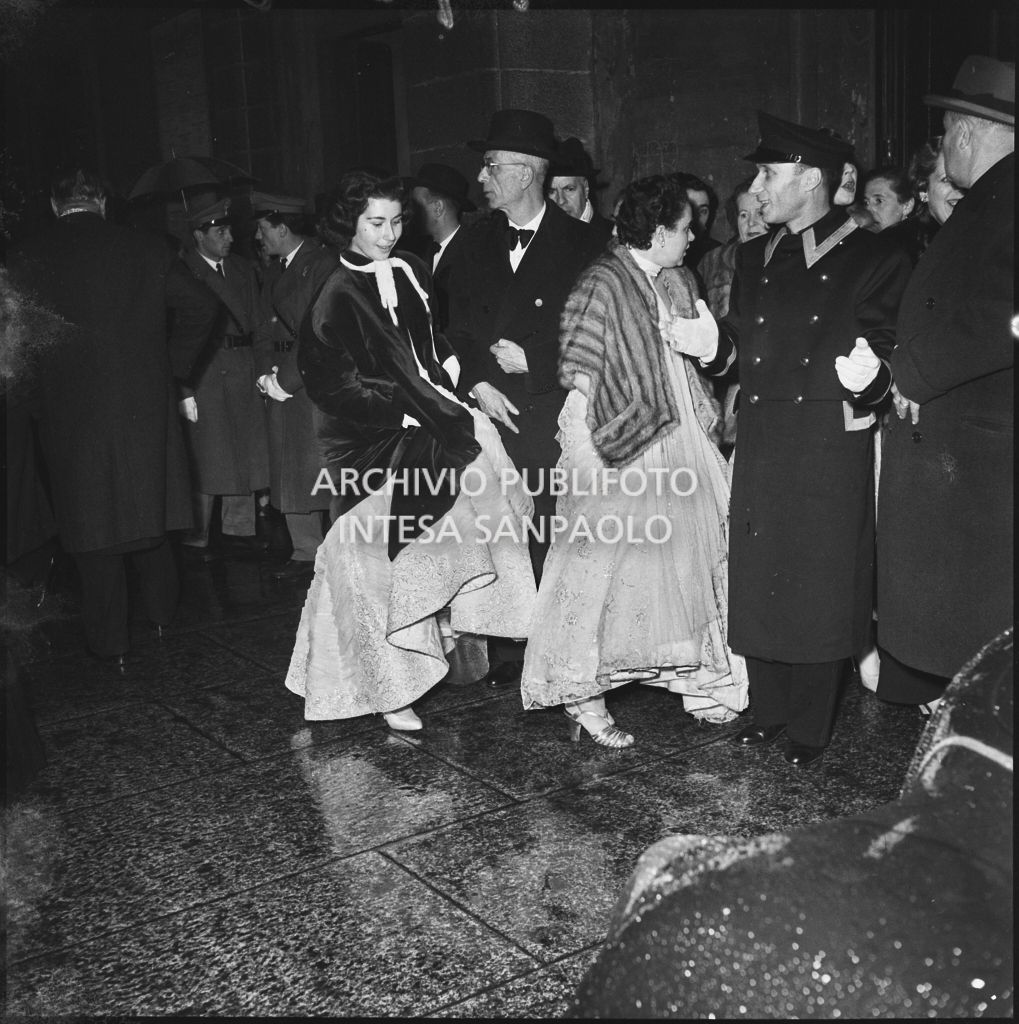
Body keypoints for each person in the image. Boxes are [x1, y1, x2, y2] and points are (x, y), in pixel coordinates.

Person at [668, 111, 913, 767]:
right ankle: (766, 706)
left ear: (809, 179)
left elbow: (886, 353)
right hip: (764, 433)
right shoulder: (754, 255)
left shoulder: (874, 255)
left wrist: (870, 379)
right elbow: (744, 352)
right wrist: (713, 348)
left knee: (816, 580)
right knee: (759, 573)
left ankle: (809, 722)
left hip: (825, 443)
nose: (755, 188)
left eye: (767, 174)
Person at [284, 170, 537, 729]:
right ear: (348, 223)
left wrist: (461, 381)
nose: (389, 233)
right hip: (372, 441)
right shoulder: (334, 290)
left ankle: (443, 645)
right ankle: (387, 685)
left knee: (442, 544)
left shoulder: (411, 270)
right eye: (376, 223)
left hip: (439, 422)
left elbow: (432, 344)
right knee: (365, 558)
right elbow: (331, 382)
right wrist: (402, 410)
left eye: (397, 221)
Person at [519, 175, 748, 746]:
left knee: (693, 556)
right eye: (683, 227)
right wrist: (611, 432)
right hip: (612, 433)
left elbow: (701, 356)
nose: (693, 236)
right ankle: (582, 695)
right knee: (599, 566)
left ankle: (701, 679)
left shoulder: (678, 277)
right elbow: (577, 360)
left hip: (679, 428)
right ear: (657, 229)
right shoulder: (603, 279)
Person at [5, 168, 214, 666]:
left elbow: (14, 346)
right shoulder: (145, 248)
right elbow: (203, 309)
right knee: (152, 510)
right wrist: (171, 370)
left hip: (69, 413)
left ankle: (111, 644)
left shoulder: (23, 259)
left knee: (91, 525)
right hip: (145, 403)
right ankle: (163, 616)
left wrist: (38, 399)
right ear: (101, 202)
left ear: (57, 206)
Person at [444, 108, 604, 686]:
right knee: (495, 529)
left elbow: (599, 328)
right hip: (489, 409)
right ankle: (507, 641)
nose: (481, 179)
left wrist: (537, 363)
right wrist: (479, 380)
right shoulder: (472, 240)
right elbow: (449, 322)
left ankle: (553, 647)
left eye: (490, 167)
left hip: (549, 409)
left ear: (524, 173)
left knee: (547, 527)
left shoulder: (587, 243)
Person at [877, 55, 1014, 714]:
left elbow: (1007, 314)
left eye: (945, 135)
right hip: (970, 459)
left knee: (982, 640)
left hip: (983, 469)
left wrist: (917, 372)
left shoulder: (1007, 198)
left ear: (963, 133)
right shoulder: (991, 198)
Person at [251, 191, 338, 581]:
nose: (257, 237)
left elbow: (319, 330)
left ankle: (332, 554)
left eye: (262, 229)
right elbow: (262, 325)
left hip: (307, 378)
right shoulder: (276, 268)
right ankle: (305, 550)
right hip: (279, 375)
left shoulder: (322, 264)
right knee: (289, 466)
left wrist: (285, 380)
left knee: (318, 468)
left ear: (282, 228)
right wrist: (263, 372)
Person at [177, 198, 271, 559]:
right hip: (206, 370)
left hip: (244, 365)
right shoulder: (181, 271)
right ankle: (196, 537)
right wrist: (182, 388)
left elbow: (261, 325)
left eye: (229, 229)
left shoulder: (243, 270)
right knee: (207, 454)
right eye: (220, 231)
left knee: (244, 451)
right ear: (199, 235)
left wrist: (262, 371)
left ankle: (239, 530)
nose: (229, 237)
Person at [697, 177, 769, 452]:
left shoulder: (784, 263)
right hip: (716, 376)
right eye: (743, 214)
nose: (751, 223)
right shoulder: (713, 260)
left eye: (759, 213)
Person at [407, 163, 476, 331]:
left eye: (416, 205)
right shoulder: (421, 253)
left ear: (438, 208)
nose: (409, 212)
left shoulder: (474, 255)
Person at [545, 136, 614, 248]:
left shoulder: (613, 237)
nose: (560, 200)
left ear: (586, 188)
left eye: (569, 189)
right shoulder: (539, 235)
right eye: (551, 191)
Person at [666, 171, 721, 269]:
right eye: (690, 210)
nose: (695, 218)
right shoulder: (662, 255)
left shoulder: (718, 254)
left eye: (703, 211)